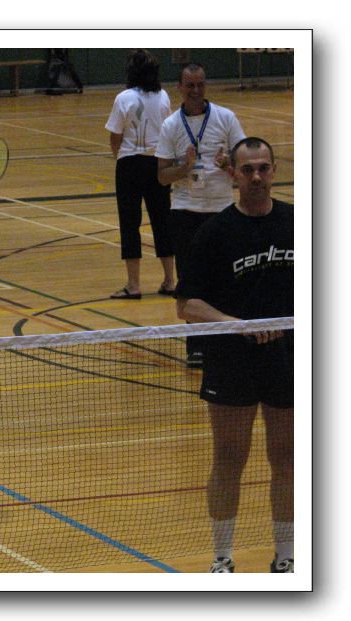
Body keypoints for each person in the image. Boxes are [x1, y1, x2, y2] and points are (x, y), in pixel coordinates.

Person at [175, 137, 294, 574]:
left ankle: (286, 556)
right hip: (231, 360)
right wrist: (236, 324)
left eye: (263, 168)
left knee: (287, 458)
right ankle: (222, 558)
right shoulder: (215, 233)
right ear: (233, 174)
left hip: (288, 359)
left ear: (274, 169)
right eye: (248, 170)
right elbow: (187, 305)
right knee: (229, 457)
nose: (256, 177)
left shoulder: (299, 223)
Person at [156, 63, 246, 367]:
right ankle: (195, 346)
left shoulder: (226, 118)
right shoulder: (171, 125)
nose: (196, 91)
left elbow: (243, 168)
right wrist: (184, 167)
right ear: (179, 87)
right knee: (190, 280)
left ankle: (226, 341)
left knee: (227, 277)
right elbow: (162, 177)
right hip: (185, 212)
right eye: (190, 85)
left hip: (221, 210)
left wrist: (227, 164)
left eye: (200, 84)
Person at [104, 49, 175, 300]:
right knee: (162, 221)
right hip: (158, 163)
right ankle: (170, 280)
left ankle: (134, 285)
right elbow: (168, 129)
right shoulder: (163, 96)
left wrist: (121, 158)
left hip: (130, 165)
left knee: (129, 223)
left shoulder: (123, 98)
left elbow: (115, 136)